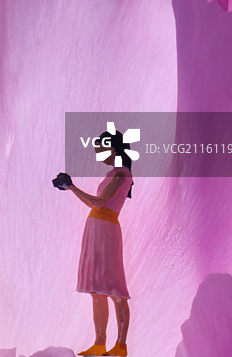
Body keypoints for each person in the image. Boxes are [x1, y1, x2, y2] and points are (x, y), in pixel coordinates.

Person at [67, 130, 134, 357]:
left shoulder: (121, 175)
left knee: (115, 288)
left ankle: (121, 346)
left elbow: (100, 202)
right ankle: (99, 344)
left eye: (101, 150)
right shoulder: (113, 173)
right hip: (97, 230)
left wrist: (71, 187)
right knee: (97, 290)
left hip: (106, 231)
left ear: (113, 148)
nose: (99, 155)